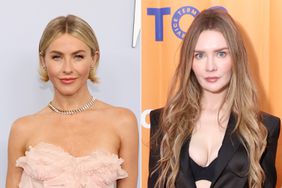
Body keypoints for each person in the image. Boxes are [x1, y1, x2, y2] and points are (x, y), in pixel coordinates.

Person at [148, 8, 280, 188]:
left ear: (236, 58)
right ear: (190, 62)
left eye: (221, 54)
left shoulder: (263, 128)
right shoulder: (164, 123)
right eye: (199, 55)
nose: (210, 66)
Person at [6, 15, 138, 188]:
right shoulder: (22, 129)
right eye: (57, 57)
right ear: (43, 60)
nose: (67, 69)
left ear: (94, 59)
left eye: (78, 57)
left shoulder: (122, 122)